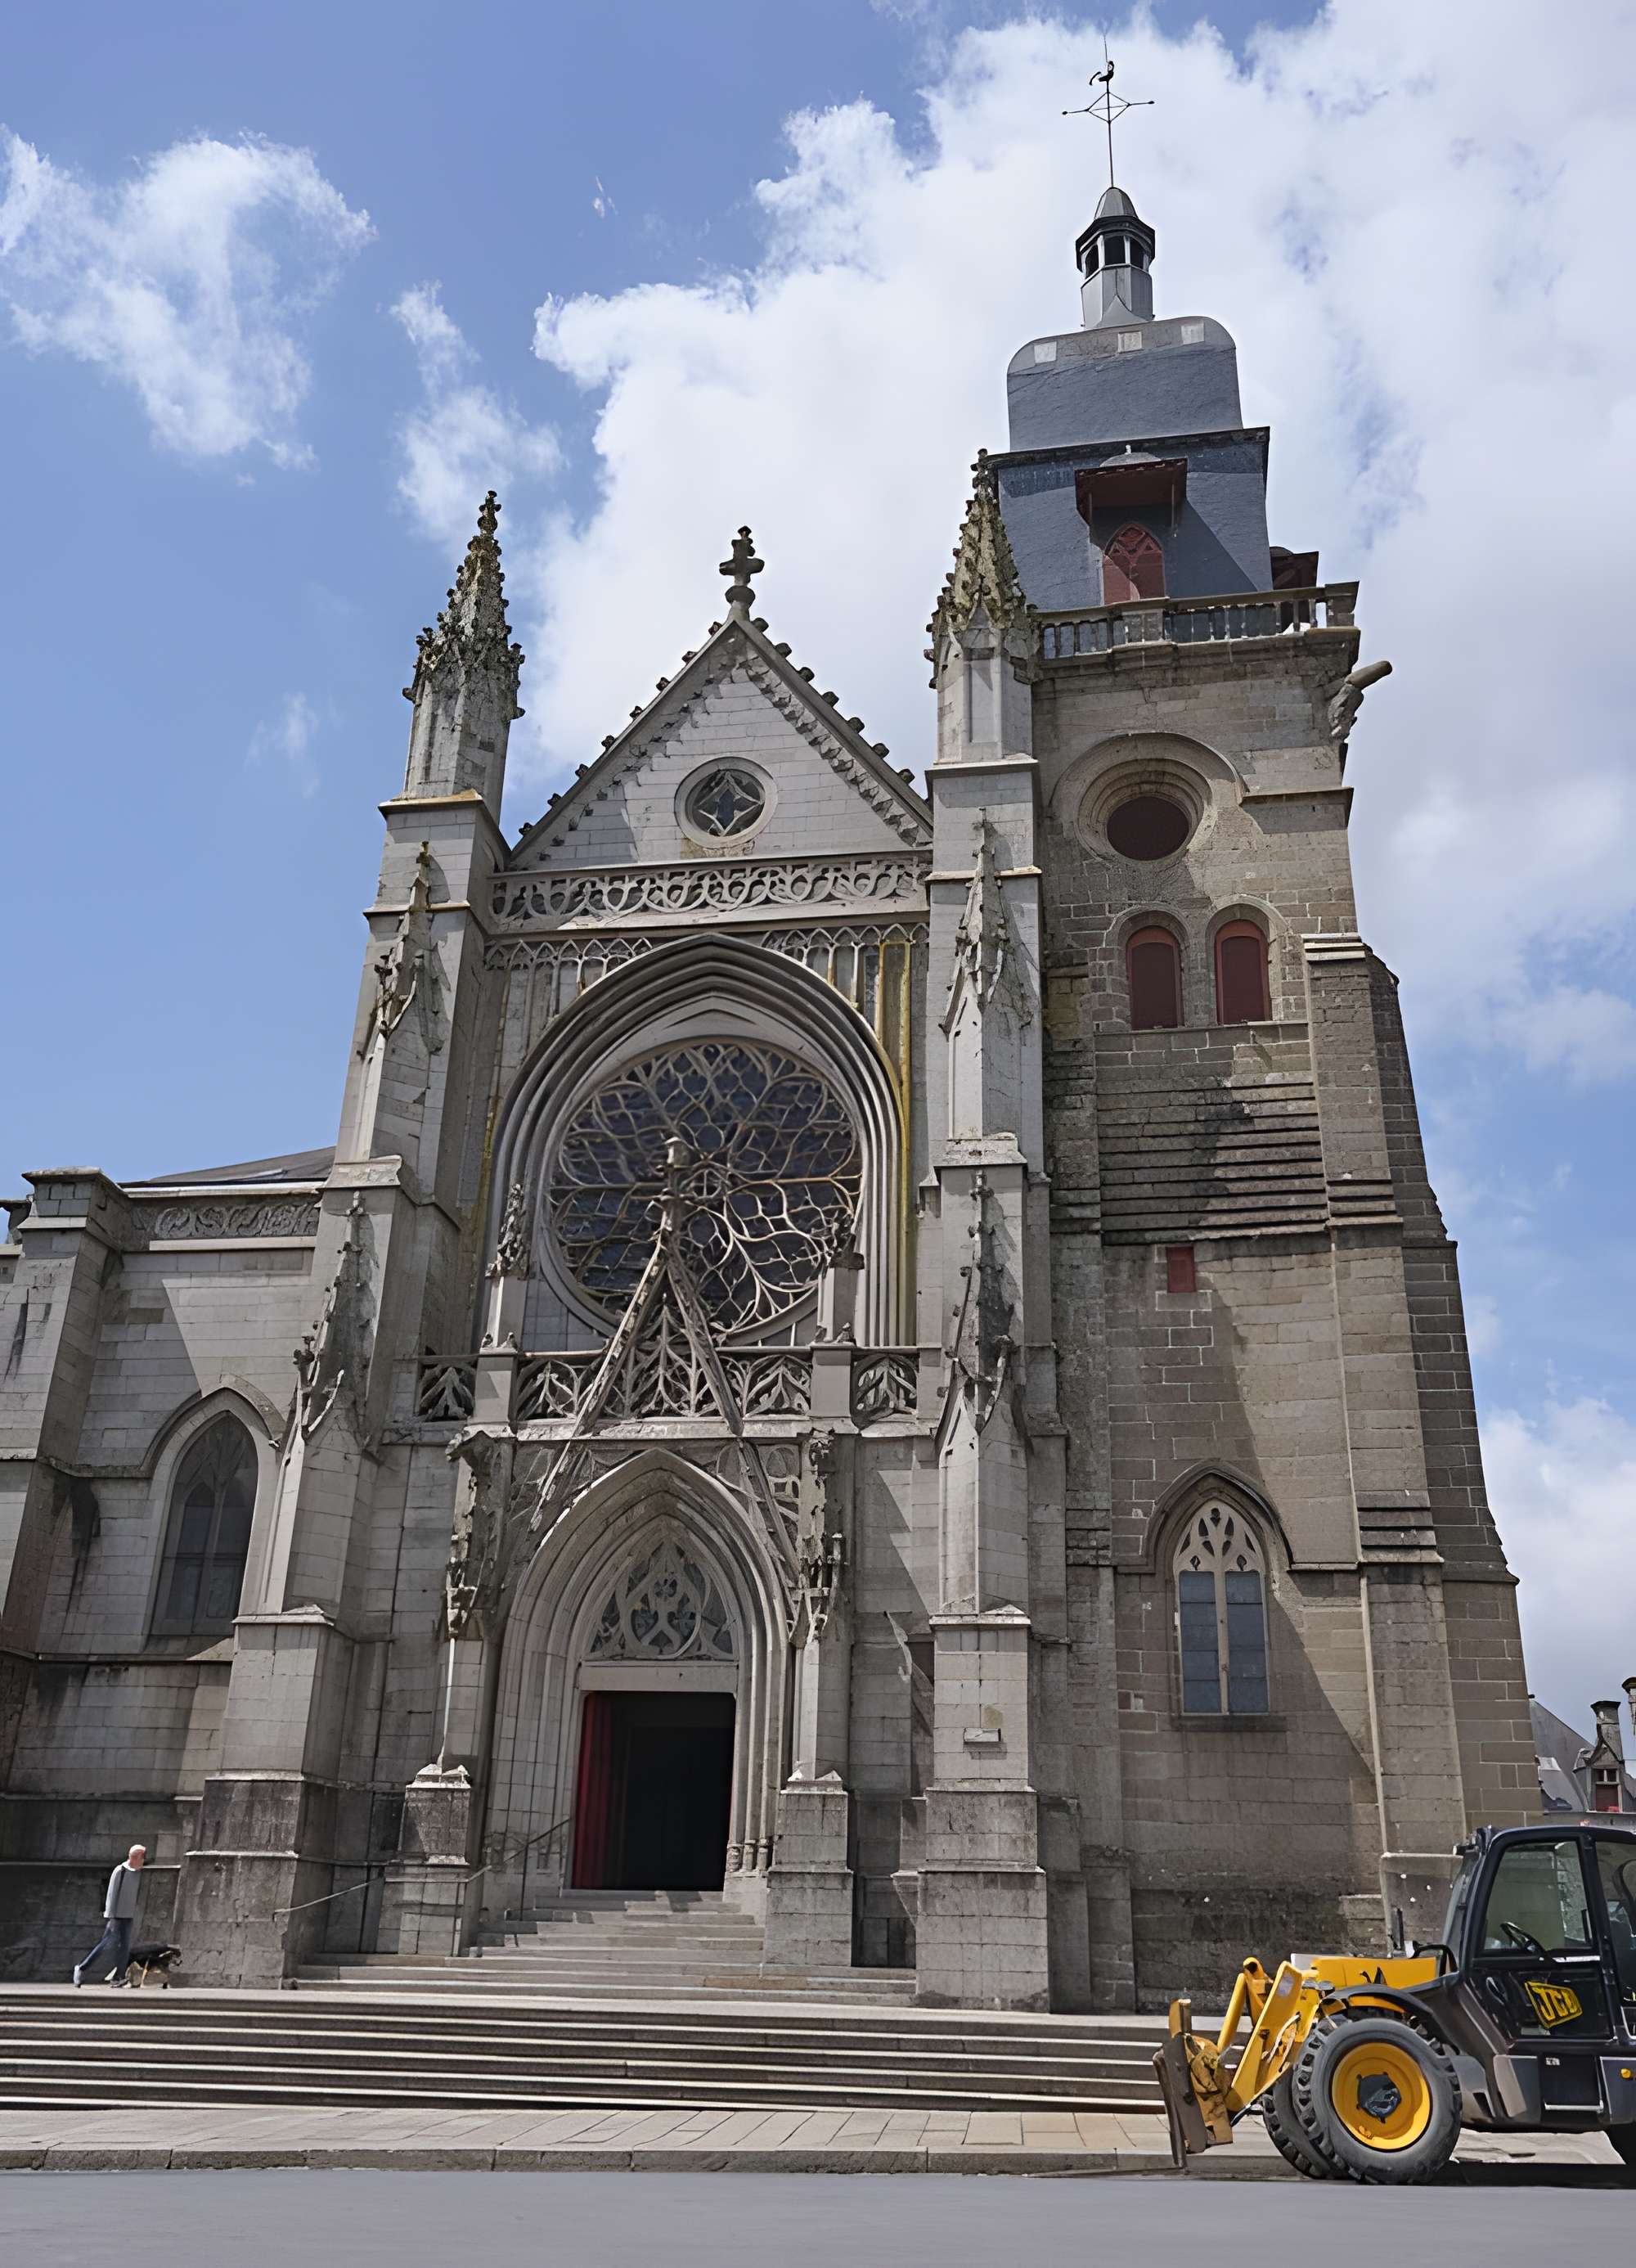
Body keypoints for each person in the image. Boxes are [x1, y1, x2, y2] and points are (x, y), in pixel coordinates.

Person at [73, 1845, 146, 1987]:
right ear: (136, 1857)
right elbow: (111, 1895)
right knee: (106, 1944)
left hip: (128, 1915)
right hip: (116, 1916)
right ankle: (82, 1968)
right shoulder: (120, 1871)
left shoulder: (138, 1872)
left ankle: (119, 1977)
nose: (143, 1861)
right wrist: (111, 1916)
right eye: (142, 1857)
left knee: (124, 1947)